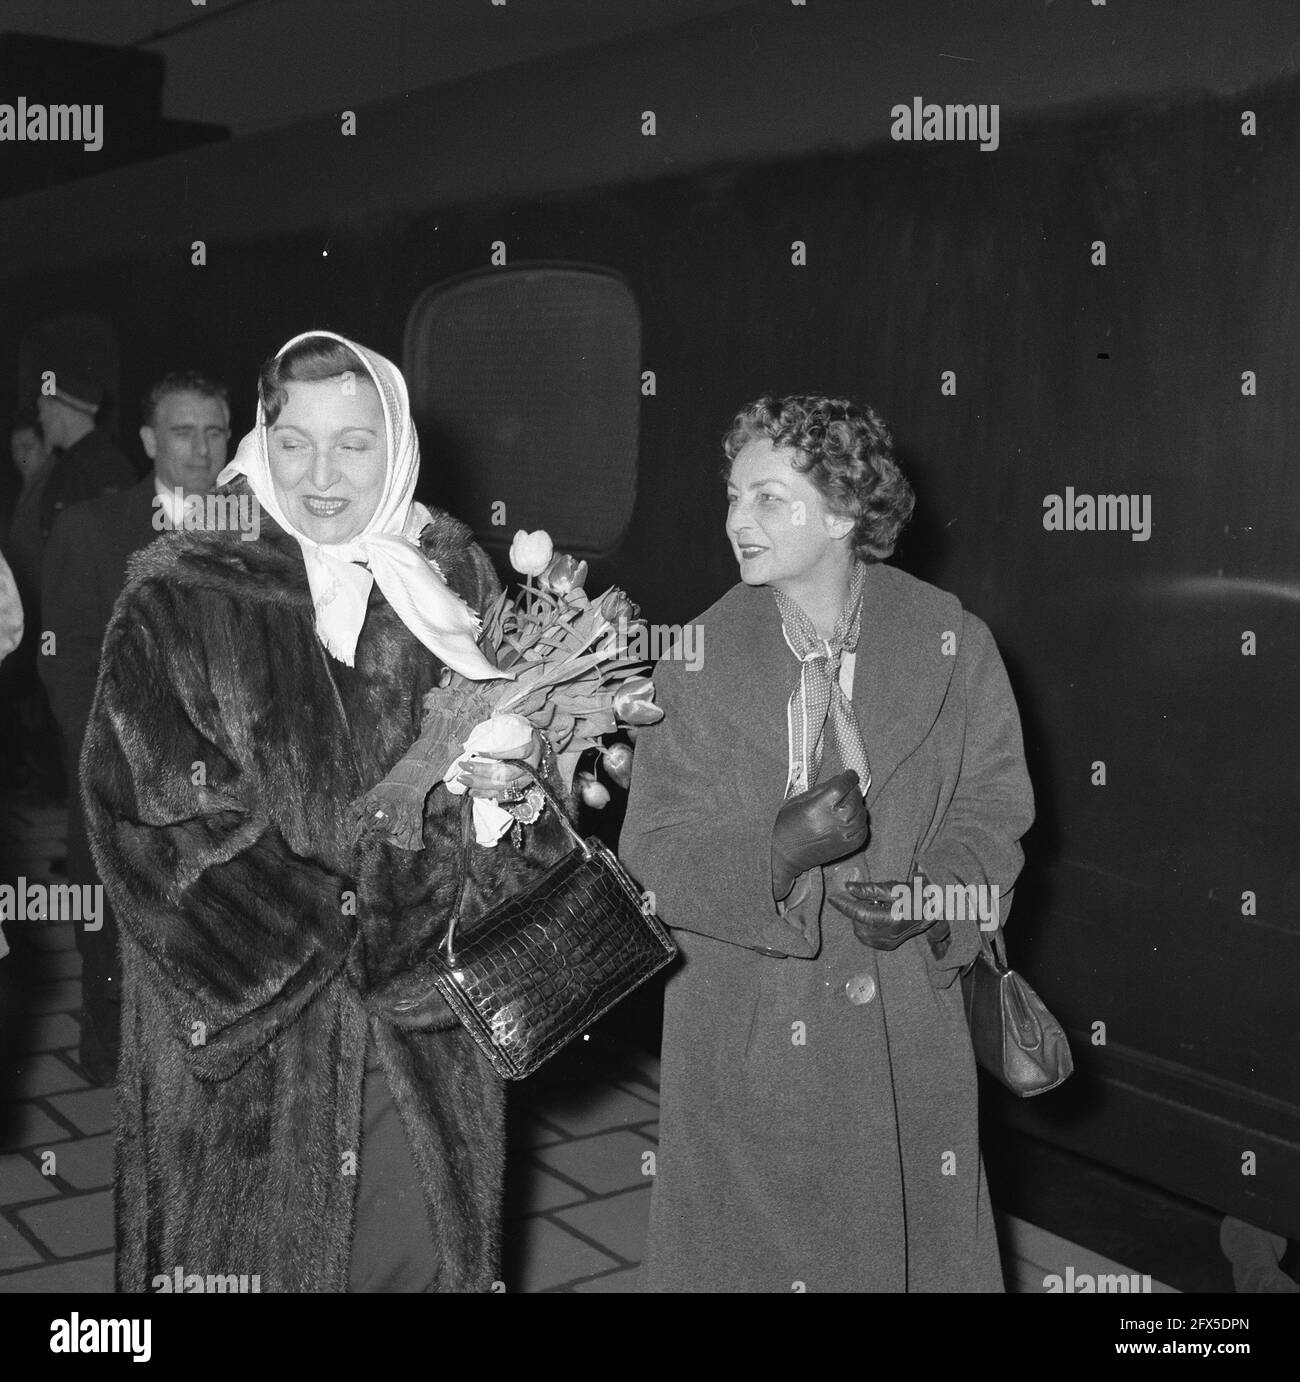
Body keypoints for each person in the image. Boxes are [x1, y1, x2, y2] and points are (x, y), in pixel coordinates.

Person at [81, 331, 573, 1292]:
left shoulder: (456, 588)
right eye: (293, 440)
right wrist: (343, 929)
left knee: (416, 1256)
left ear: (398, 449)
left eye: (354, 442)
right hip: (252, 1053)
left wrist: (511, 809)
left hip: (421, 1036)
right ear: (261, 443)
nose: (320, 473)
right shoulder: (183, 593)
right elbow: (147, 818)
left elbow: (528, 813)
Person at [620, 394, 1035, 1292]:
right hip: (747, 1038)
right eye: (732, 496)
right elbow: (651, 850)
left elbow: (992, 811)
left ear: (843, 512)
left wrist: (936, 898)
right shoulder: (691, 660)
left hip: (904, 1035)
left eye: (770, 497)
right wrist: (774, 851)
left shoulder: (955, 647)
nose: (737, 520)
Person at [40, 372, 232, 1084]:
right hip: (125, 785)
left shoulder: (255, 535)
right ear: (150, 440)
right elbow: (66, 671)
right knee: (120, 955)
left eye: (216, 431)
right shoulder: (91, 530)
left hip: (228, 792)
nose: (202, 449)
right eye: (184, 432)